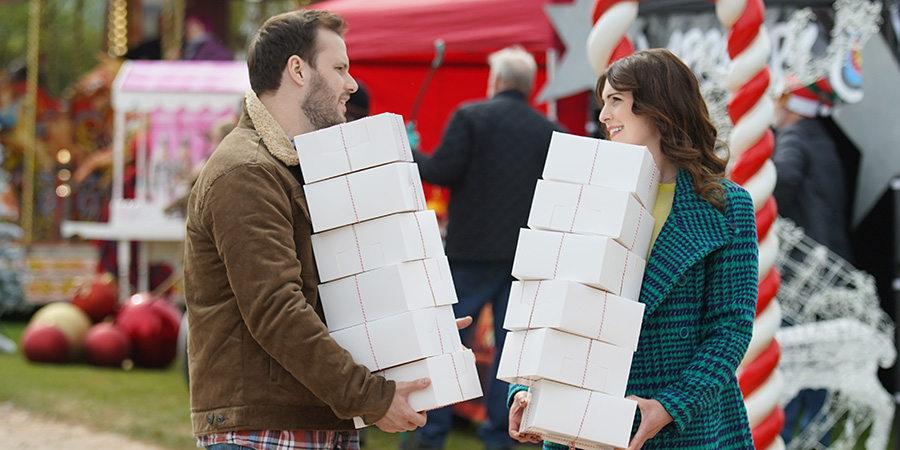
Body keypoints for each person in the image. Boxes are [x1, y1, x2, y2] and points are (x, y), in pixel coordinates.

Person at [183, 10, 448, 450]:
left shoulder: (301, 167)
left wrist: (411, 323)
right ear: (298, 69)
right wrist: (372, 398)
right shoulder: (246, 172)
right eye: (340, 68)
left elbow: (329, 298)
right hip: (262, 432)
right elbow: (278, 311)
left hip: (314, 421)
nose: (352, 84)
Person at [508, 48, 759, 450]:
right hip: (579, 422)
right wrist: (523, 390)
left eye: (616, 101)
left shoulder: (726, 205)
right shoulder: (582, 193)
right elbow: (544, 306)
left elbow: (730, 329)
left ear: (659, 106)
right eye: (603, 102)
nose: (604, 116)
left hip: (683, 427)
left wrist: (670, 406)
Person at [402, 46, 562, 450]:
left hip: (469, 253)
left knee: (448, 345)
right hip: (524, 258)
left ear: (495, 81)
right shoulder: (551, 131)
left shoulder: (470, 116)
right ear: (528, 86)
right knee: (510, 355)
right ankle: (499, 435)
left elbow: (442, 170)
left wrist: (411, 149)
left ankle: (429, 433)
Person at [771, 78, 851, 445]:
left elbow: (782, 179)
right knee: (821, 368)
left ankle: (784, 438)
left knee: (791, 365)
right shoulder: (823, 139)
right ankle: (819, 439)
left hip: (801, 277)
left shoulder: (794, 138)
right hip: (831, 273)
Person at [771, 78, 854, 262]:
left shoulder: (793, 135)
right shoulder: (820, 138)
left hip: (806, 258)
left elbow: (785, 176)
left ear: (789, 104)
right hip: (832, 253)